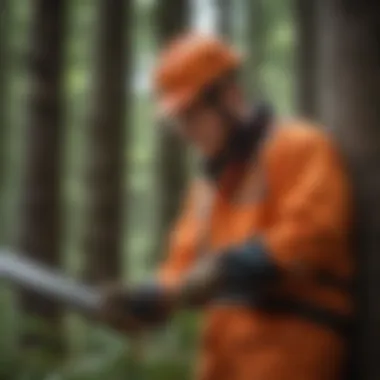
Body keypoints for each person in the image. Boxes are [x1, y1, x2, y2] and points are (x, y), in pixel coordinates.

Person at [101, 33, 354, 380]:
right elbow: (182, 267)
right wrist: (148, 298)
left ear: (229, 96)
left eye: (191, 114)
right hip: (221, 364)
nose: (185, 130)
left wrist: (233, 266)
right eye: (178, 119)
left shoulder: (300, 146)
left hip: (290, 356)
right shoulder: (206, 189)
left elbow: (316, 233)